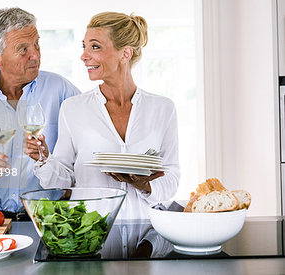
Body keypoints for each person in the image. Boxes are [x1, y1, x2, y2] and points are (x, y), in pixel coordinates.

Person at [26, 12, 180, 219]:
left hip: (149, 230)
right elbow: (64, 179)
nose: (84, 55)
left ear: (125, 54)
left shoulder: (163, 108)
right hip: (92, 232)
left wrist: (145, 185)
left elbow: (171, 176)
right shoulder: (73, 108)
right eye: (84, 46)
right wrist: (43, 159)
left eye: (95, 46)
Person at [0, 7, 80, 221]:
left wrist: (60, 173)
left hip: (53, 220)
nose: (35, 55)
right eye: (23, 49)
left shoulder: (61, 90)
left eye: (36, 44)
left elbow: (86, 149)